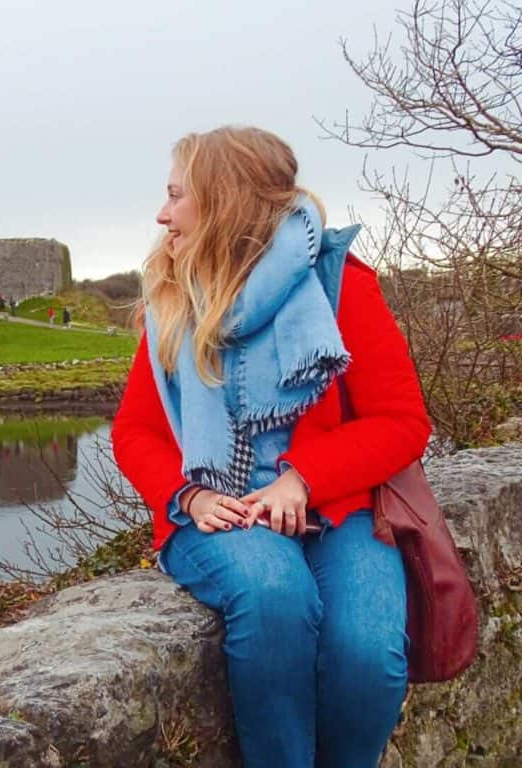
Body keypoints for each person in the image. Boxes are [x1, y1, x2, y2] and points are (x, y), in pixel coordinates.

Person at [110, 126, 430, 767]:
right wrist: (189, 494)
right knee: (276, 597)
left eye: (177, 196)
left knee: (369, 654)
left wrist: (303, 477)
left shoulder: (341, 284)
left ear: (225, 201)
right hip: (219, 511)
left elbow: (401, 422)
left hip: (336, 506)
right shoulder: (175, 295)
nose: (162, 214)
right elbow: (135, 431)